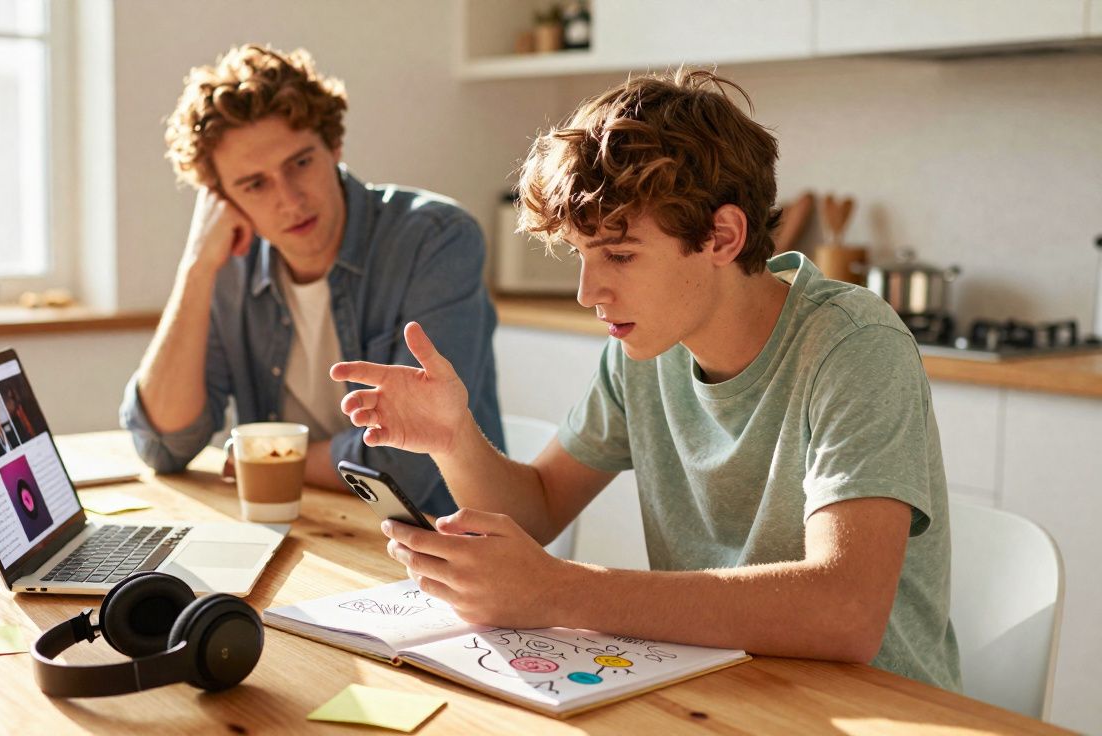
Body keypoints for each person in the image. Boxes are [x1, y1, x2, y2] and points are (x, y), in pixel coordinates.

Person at [330, 70, 961, 690]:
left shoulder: (852, 346)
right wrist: (452, 437)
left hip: (876, 707)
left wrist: (561, 591)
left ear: (723, 235)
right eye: (581, 253)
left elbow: (844, 613)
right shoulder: (646, 349)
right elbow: (540, 507)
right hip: (722, 690)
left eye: (620, 255)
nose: (587, 292)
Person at [120, 44, 503, 516]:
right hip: (304, 530)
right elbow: (162, 445)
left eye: (300, 163)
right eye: (254, 184)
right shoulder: (229, 265)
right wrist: (196, 268)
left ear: (333, 146)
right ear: (223, 199)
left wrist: (268, 457)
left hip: (439, 542)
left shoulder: (436, 241)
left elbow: (409, 462)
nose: (289, 200)